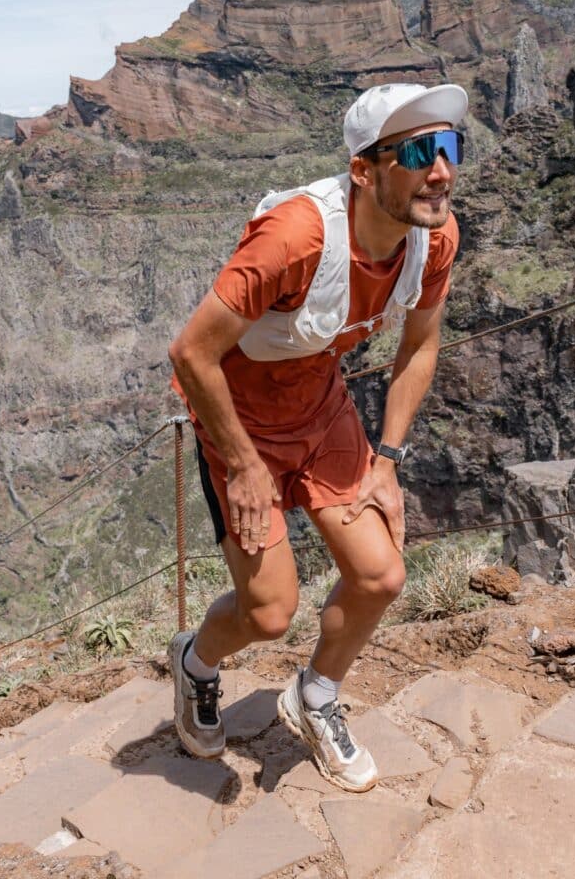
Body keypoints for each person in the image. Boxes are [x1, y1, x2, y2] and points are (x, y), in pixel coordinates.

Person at [168, 81, 467, 792]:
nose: (442, 170)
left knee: (379, 575)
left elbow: (419, 348)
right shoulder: (296, 237)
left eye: (450, 147)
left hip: (322, 413)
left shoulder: (434, 239)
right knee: (269, 613)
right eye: (419, 151)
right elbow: (190, 353)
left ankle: (315, 696)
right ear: (364, 171)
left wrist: (386, 461)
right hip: (240, 429)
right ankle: (195, 664)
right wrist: (241, 466)